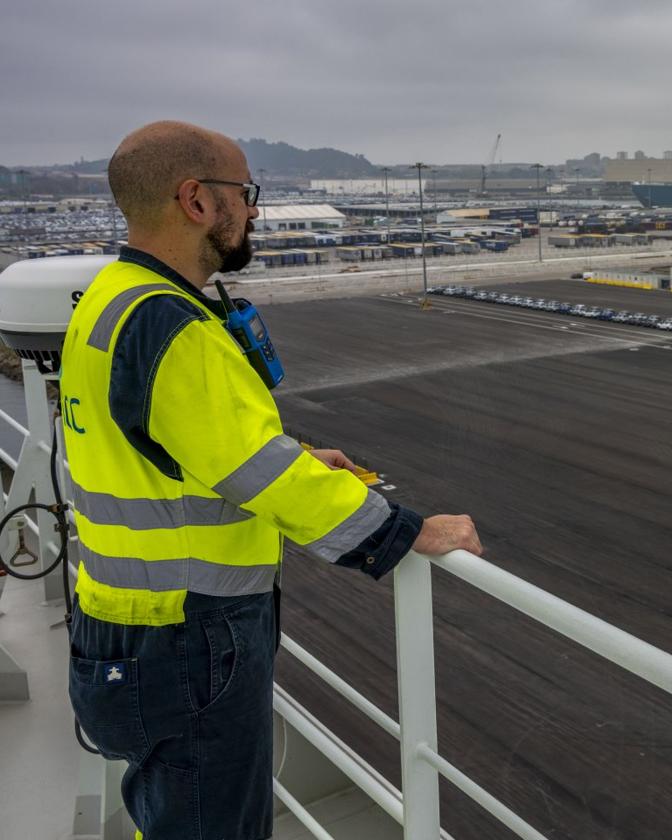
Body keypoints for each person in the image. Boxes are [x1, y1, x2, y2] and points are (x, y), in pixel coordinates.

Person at [60, 120, 482, 840]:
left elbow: (170, 444)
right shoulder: (175, 326)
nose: (253, 210)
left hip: (117, 623)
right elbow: (259, 475)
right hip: (187, 639)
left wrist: (298, 457)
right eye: (245, 193)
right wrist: (408, 530)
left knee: (169, 816)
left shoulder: (110, 298)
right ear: (196, 201)